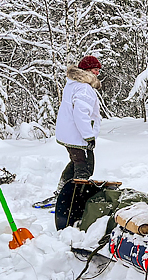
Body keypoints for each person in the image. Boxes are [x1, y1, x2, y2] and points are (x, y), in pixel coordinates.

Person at [34, 55, 102, 208]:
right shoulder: (84, 87)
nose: (97, 73)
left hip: (71, 135)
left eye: (98, 70)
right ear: (86, 70)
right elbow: (81, 113)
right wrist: (88, 136)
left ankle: (61, 193)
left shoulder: (74, 84)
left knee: (76, 163)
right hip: (78, 137)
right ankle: (72, 201)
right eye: (95, 70)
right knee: (85, 167)